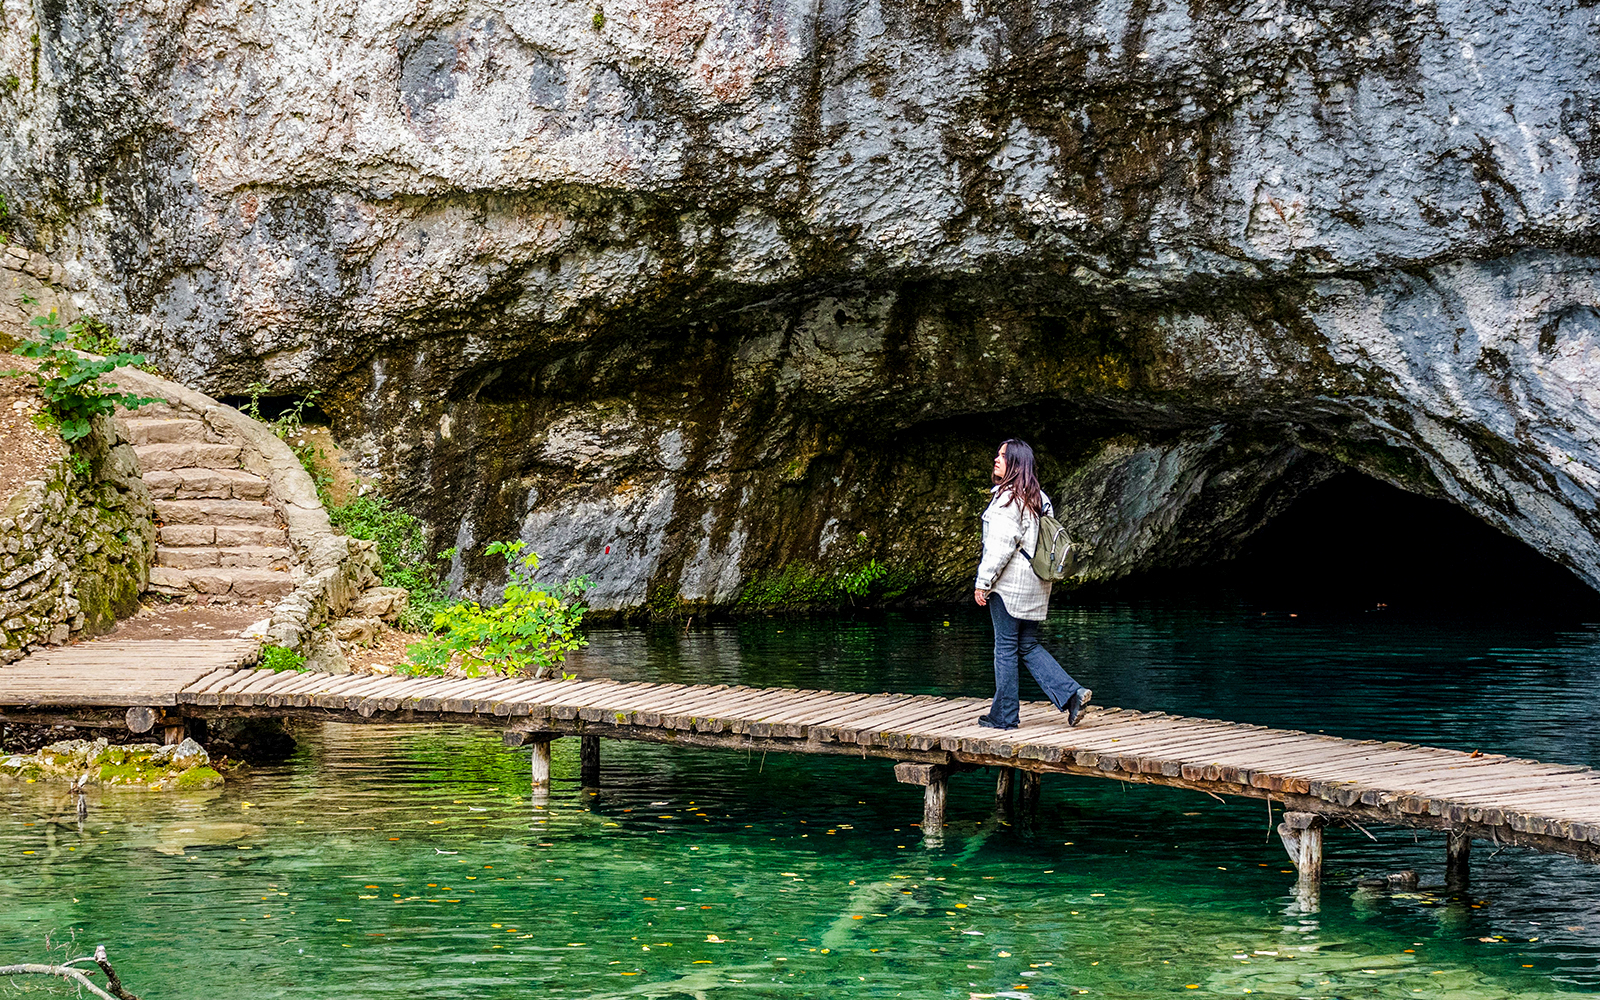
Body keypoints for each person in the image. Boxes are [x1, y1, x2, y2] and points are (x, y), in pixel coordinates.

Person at [973, 438, 1091, 730]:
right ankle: (1072, 694)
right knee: (1026, 644)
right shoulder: (1040, 498)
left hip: (1010, 586)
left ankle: (1004, 717)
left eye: (1003, 456)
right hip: (1037, 585)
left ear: (1015, 463)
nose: (996, 459)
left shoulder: (1006, 499)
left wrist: (983, 582)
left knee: (1005, 648)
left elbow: (1000, 547)